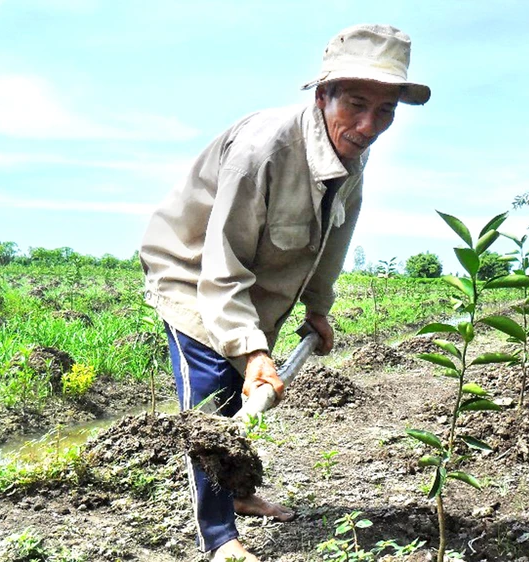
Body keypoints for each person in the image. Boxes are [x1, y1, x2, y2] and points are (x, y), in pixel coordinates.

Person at [139, 23, 430, 562]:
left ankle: (240, 493)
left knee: (246, 391)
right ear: (323, 96)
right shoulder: (264, 149)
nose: (370, 125)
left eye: (386, 110)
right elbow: (220, 262)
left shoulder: (352, 155)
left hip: (254, 287)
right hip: (194, 274)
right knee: (214, 404)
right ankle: (219, 539)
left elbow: (334, 237)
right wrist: (252, 351)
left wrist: (319, 308)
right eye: (357, 104)